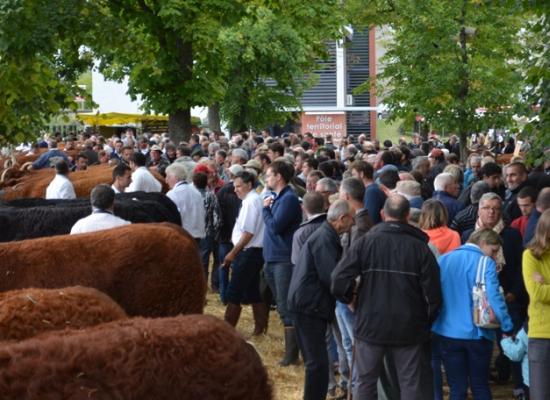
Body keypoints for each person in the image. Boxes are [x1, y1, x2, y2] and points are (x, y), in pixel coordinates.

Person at [331, 194, 442, 400]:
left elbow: (338, 279)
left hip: (371, 323)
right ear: (407, 215)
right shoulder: (421, 248)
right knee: (410, 383)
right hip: (409, 326)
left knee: (365, 381)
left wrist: (350, 300)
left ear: (382, 214)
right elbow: (434, 296)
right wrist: (424, 321)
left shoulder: (365, 243)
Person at [432, 229, 513, 400]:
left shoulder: (444, 259)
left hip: (447, 332)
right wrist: (507, 326)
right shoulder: (486, 263)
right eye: (494, 250)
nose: (495, 255)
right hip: (478, 333)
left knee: (457, 387)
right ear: (482, 243)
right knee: (480, 385)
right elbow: (494, 296)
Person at [288, 200, 356, 400]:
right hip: (308, 306)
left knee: (317, 362)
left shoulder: (326, 235)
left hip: (309, 304)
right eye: (351, 219)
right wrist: (352, 295)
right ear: (342, 219)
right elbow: (332, 277)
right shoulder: (325, 239)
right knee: (316, 363)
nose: (353, 224)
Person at [262, 159, 303, 366]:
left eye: (269, 175)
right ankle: (291, 352)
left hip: (283, 259)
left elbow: (276, 226)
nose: (267, 178)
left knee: (287, 307)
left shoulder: (288, 198)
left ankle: (292, 354)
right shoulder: (278, 197)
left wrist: (265, 210)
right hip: (273, 257)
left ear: (278, 176)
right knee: (281, 305)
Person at [222, 171, 267, 336]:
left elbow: (248, 233)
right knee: (253, 291)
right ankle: (260, 329)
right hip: (254, 252)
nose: (236, 190)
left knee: (234, 291)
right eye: (234, 186)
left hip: (248, 252)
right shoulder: (255, 199)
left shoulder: (250, 202)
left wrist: (232, 253)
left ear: (249, 185)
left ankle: (226, 332)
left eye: (239, 186)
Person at [522, 209, 550, 400]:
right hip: (541, 334)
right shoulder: (531, 256)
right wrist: (543, 288)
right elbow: (537, 293)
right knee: (540, 395)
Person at [165, 163, 206, 243]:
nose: (166, 180)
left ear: (175, 177)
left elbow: (170, 217)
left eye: (168, 176)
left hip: (181, 236)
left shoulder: (173, 193)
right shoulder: (196, 192)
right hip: (197, 236)